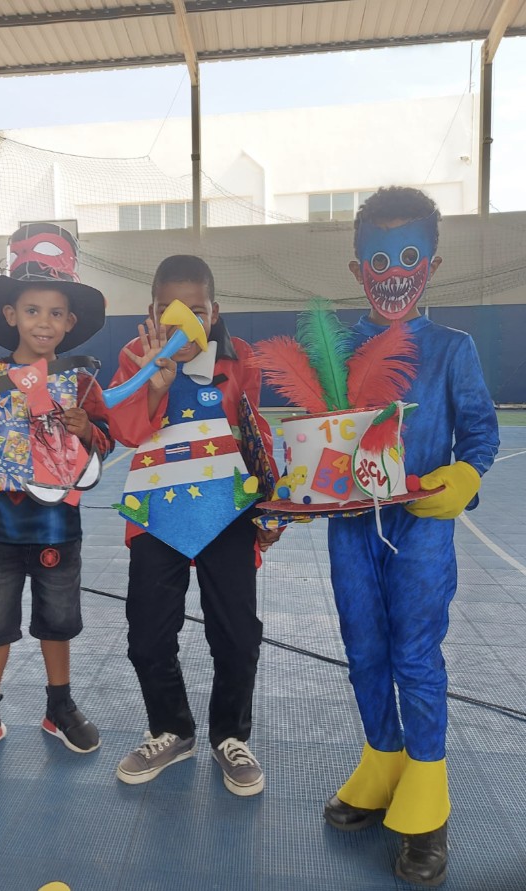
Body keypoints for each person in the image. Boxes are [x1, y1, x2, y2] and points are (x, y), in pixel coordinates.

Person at [322, 187, 500, 886]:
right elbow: (318, 433)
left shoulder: (453, 349)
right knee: (362, 648)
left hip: (421, 527)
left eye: (408, 258)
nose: (393, 273)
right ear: (357, 268)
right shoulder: (336, 350)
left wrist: (464, 476)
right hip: (349, 527)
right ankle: (382, 761)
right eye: (379, 260)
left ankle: (427, 796)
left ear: (432, 264)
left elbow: (480, 432)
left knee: (415, 654)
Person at [0, 223, 113, 770]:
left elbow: (107, 442)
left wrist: (86, 430)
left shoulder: (79, 382)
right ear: (11, 314)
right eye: (32, 310)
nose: (44, 322)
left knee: (57, 622)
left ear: (70, 322)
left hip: (59, 526)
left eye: (56, 313)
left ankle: (60, 707)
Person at [106, 254, 281, 796]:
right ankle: (171, 729)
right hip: (157, 512)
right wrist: (154, 384)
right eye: (169, 311)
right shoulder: (134, 356)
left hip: (227, 510)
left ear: (215, 312)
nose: (183, 324)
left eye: (196, 312)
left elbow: (254, 433)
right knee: (147, 634)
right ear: (152, 311)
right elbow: (127, 431)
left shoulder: (240, 358)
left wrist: (270, 504)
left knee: (237, 635)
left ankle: (231, 736)